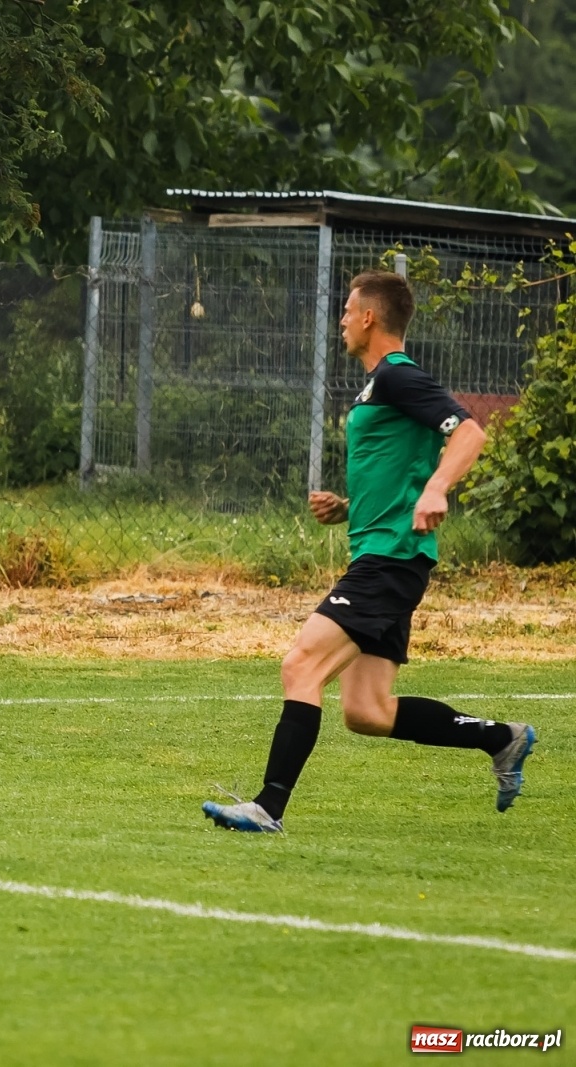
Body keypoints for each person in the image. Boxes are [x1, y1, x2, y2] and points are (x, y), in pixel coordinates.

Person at [203, 270, 535, 833]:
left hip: (390, 560)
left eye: (347, 310)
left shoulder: (397, 378)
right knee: (367, 711)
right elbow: (399, 471)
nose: (341, 320)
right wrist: (351, 506)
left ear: (369, 318)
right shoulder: (377, 385)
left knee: (301, 664)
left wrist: (437, 488)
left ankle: (267, 807)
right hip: (386, 554)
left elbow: (471, 434)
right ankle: (503, 739)